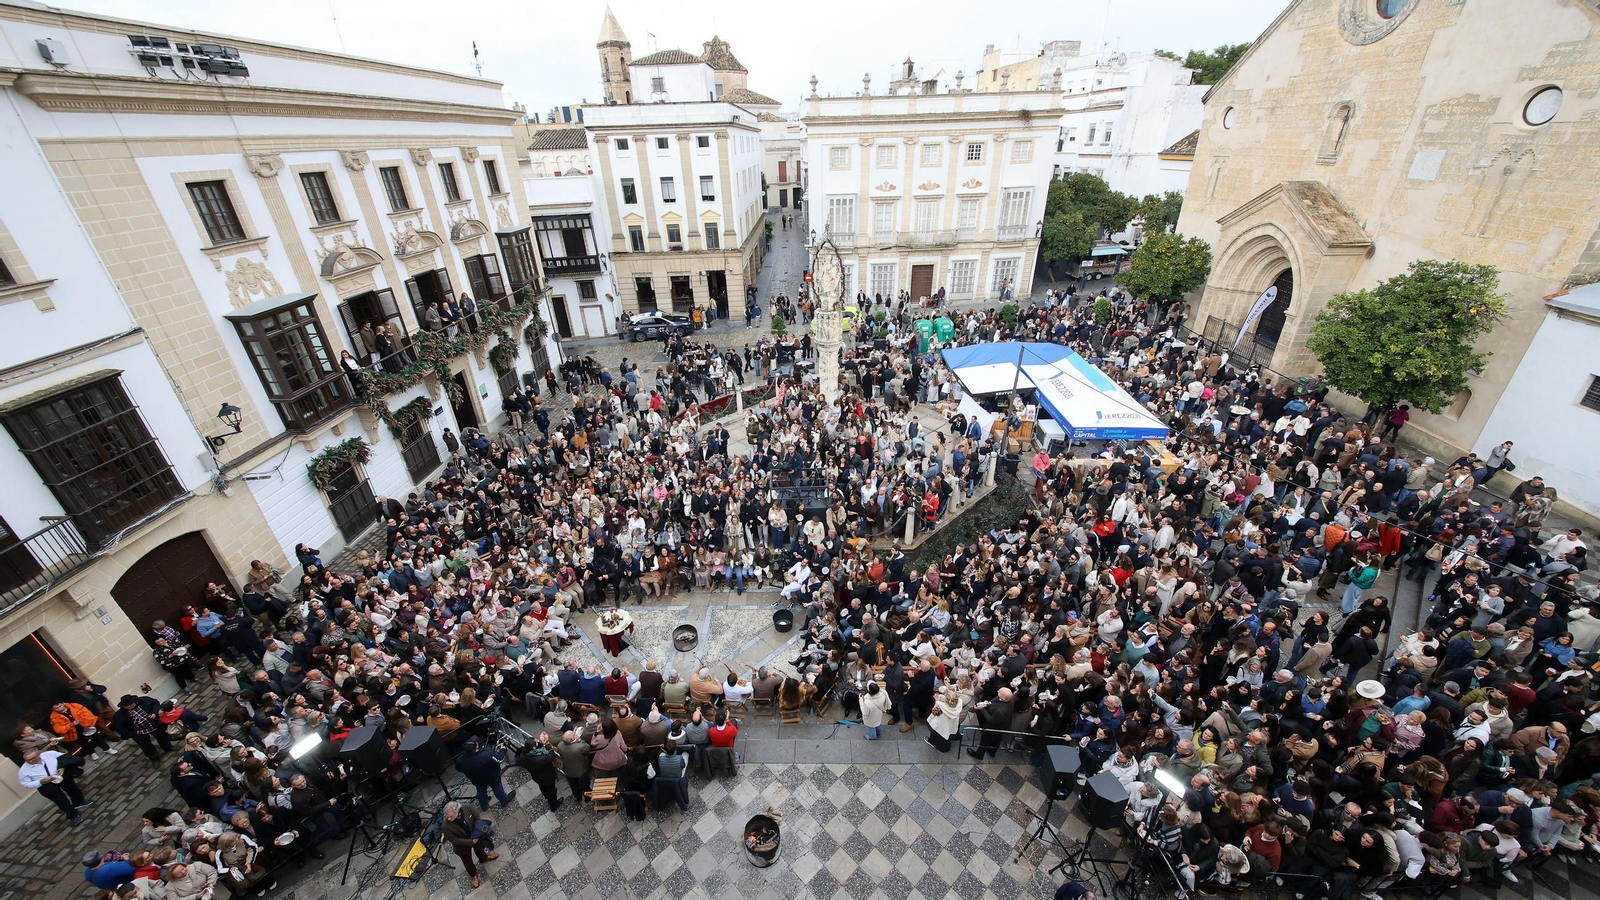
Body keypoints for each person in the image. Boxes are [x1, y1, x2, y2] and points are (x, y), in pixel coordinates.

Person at [20, 748, 89, 825]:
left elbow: (65, 757)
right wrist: (41, 781)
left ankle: (79, 802)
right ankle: (73, 816)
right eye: (27, 760)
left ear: (38, 754)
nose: (30, 761)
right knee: (61, 800)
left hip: (59, 775)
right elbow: (25, 784)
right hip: (45, 784)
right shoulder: (23, 770)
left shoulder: (50, 754)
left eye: (32, 758)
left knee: (73, 789)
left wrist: (62, 766)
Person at [439, 800, 499, 889]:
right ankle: (473, 875)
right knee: (467, 862)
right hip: (462, 846)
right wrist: (471, 842)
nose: (448, 819)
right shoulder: (445, 826)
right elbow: (454, 840)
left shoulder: (468, 807)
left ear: (457, 811)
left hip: (475, 835)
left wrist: (478, 832)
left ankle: (484, 858)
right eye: (447, 817)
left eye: (451, 816)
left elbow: (477, 818)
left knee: (480, 849)